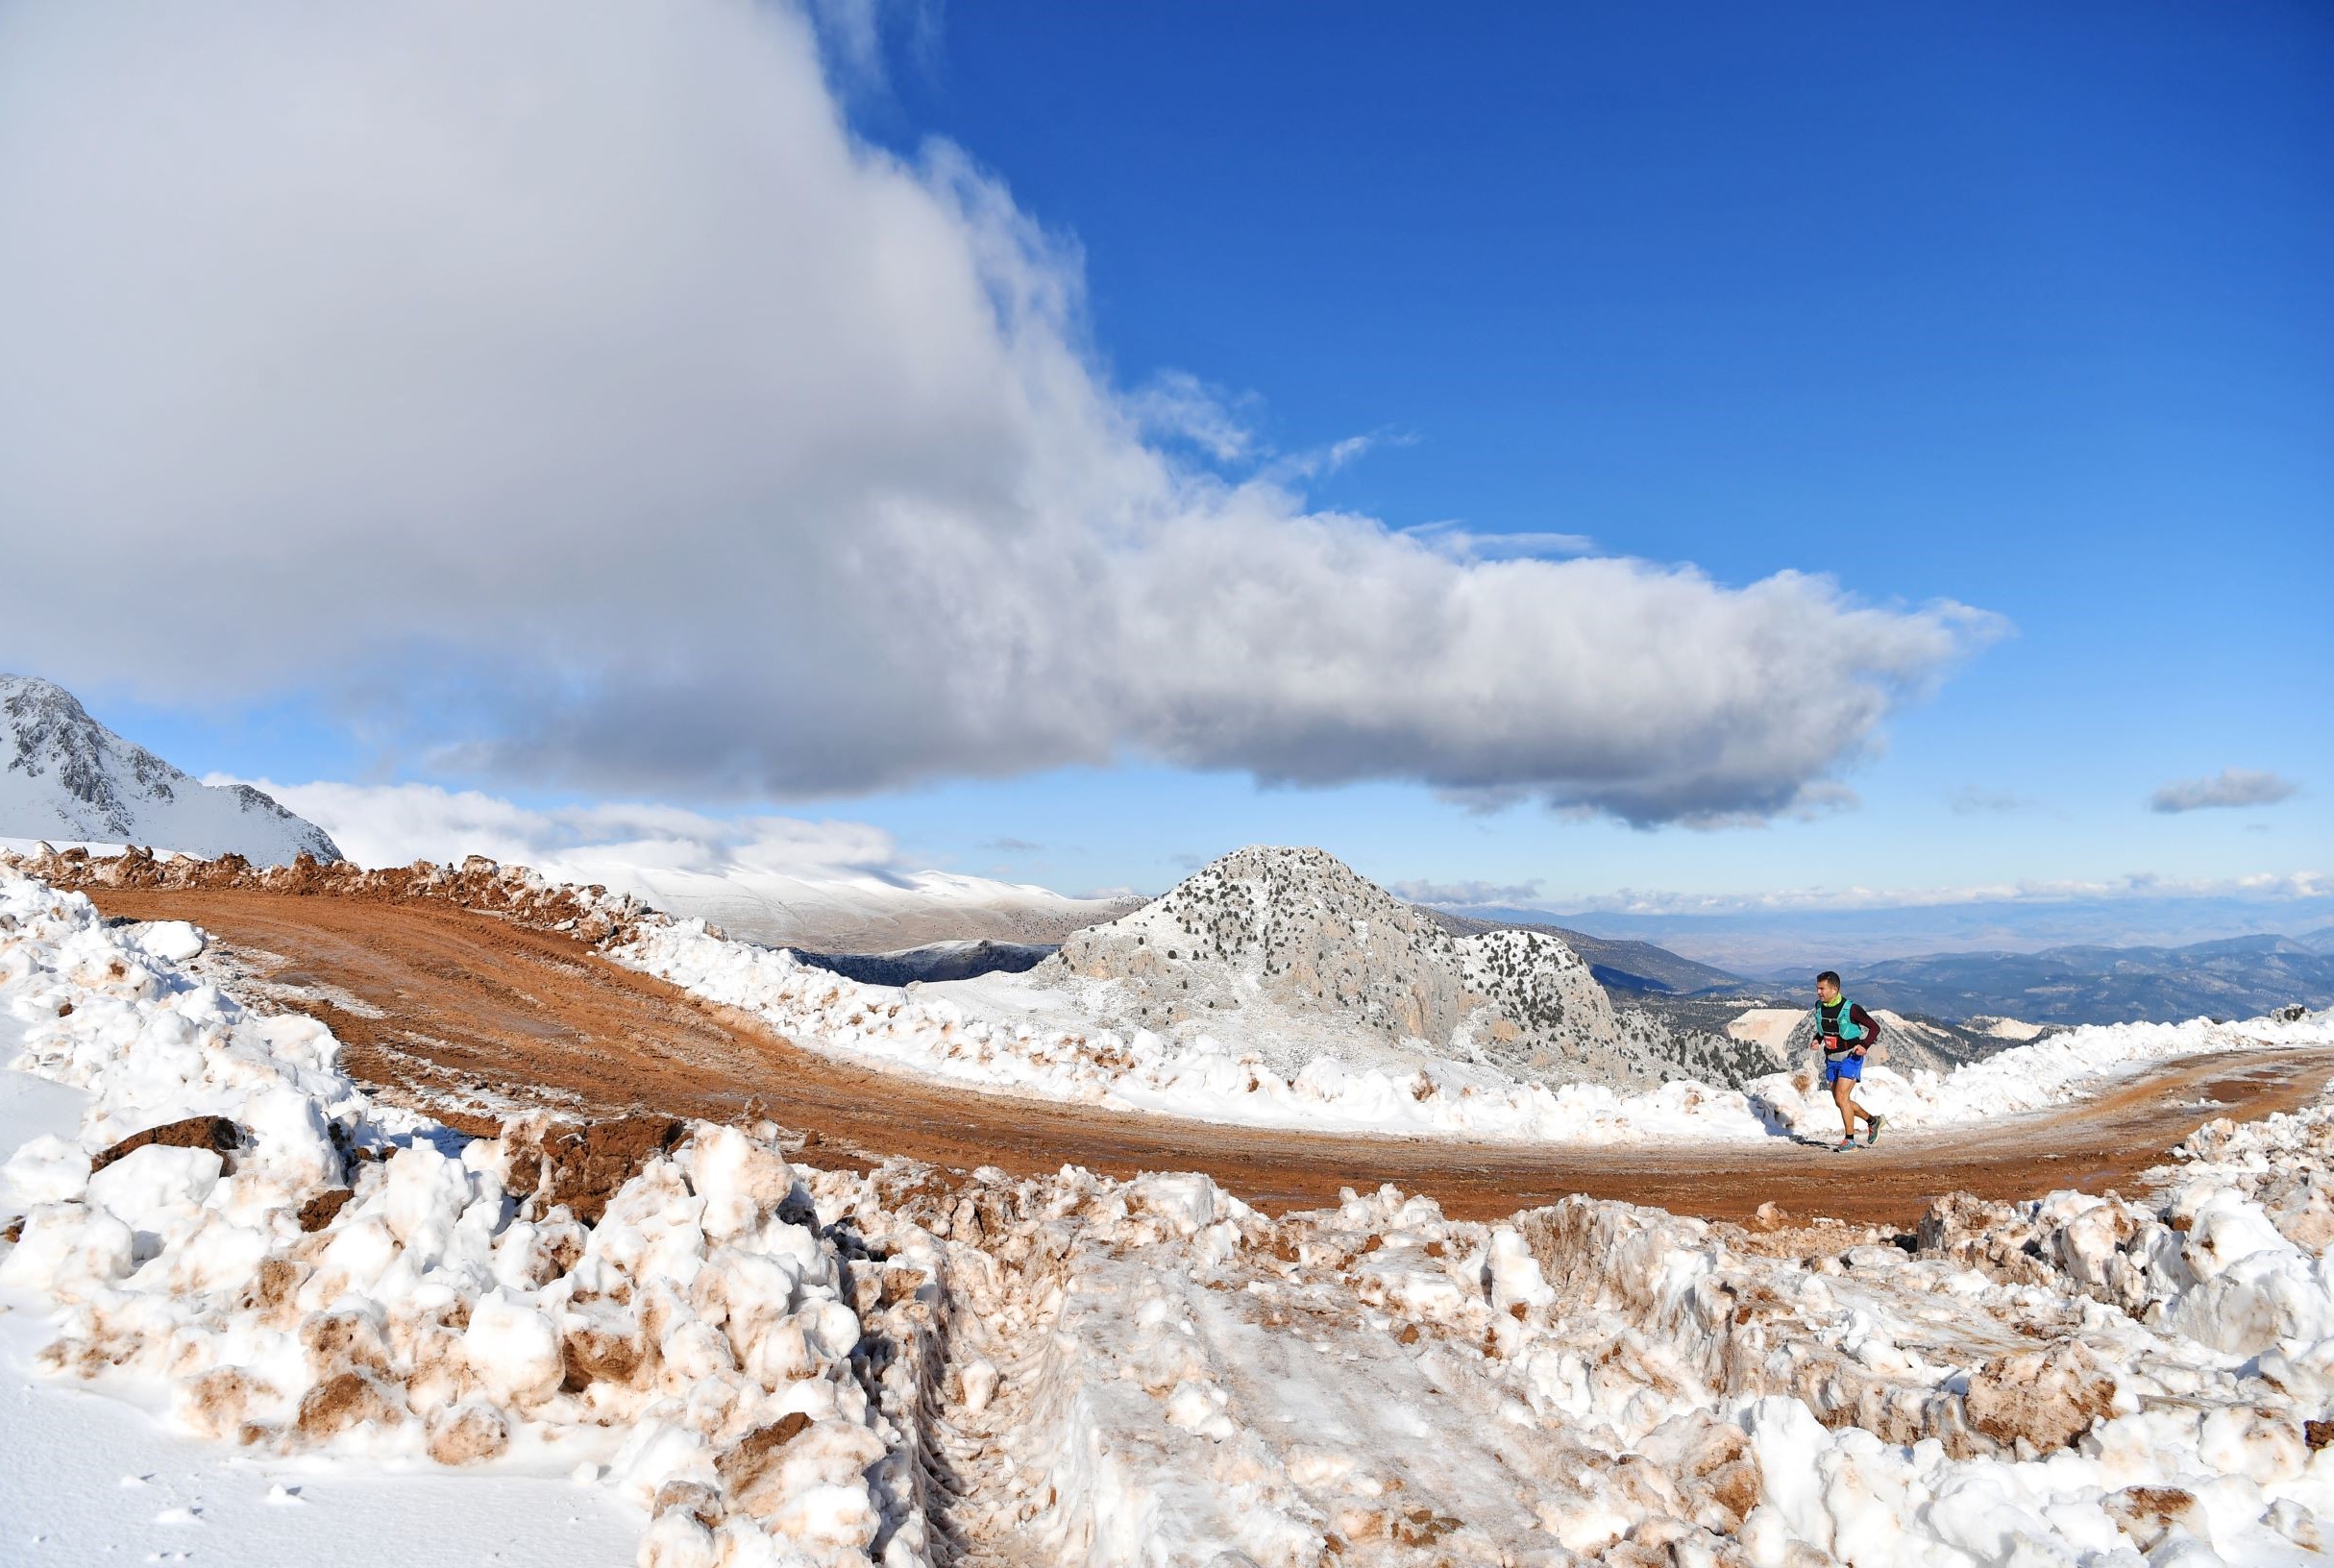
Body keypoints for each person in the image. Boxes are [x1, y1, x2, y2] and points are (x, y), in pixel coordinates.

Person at [1812, 970, 1884, 1152]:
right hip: (1831, 1059)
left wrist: (1865, 1045)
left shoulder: (1851, 1008)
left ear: (1834, 989)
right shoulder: (1819, 1006)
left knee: (1842, 1097)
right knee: (1840, 1101)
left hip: (1850, 1057)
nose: (1818, 992)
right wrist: (1817, 1039)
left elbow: (1875, 1028)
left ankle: (1850, 1141)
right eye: (1817, 988)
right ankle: (1873, 1121)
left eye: (1822, 988)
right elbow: (1824, 1029)